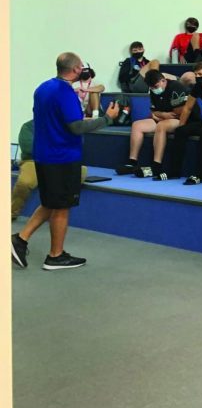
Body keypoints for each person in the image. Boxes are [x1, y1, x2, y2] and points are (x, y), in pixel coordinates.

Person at [11, 53, 120, 270]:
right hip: (62, 158)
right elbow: (76, 127)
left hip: (44, 155)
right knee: (62, 206)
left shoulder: (43, 88)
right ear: (77, 69)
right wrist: (107, 119)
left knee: (51, 202)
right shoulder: (65, 93)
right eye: (82, 66)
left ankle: (20, 240)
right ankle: (55, 256)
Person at [114, 70, 195, 180]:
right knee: (137, 125)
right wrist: (162, 114)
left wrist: (159, 115)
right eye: (151, 88)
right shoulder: (153, 90)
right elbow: (154, 112)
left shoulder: (177, 87)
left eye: (155, 86)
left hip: (181, 120)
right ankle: (132, 162)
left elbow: (179, 112)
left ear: (163, 80)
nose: (154, 89)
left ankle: (157, 165)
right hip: (164, 117)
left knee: (161, 125)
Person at [12, 120, 87, 221]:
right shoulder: (28, 127)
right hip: (33, 161)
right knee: (25, 182)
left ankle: (58, 211)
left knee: (82, 171)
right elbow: (29, 148)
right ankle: (12, 212)